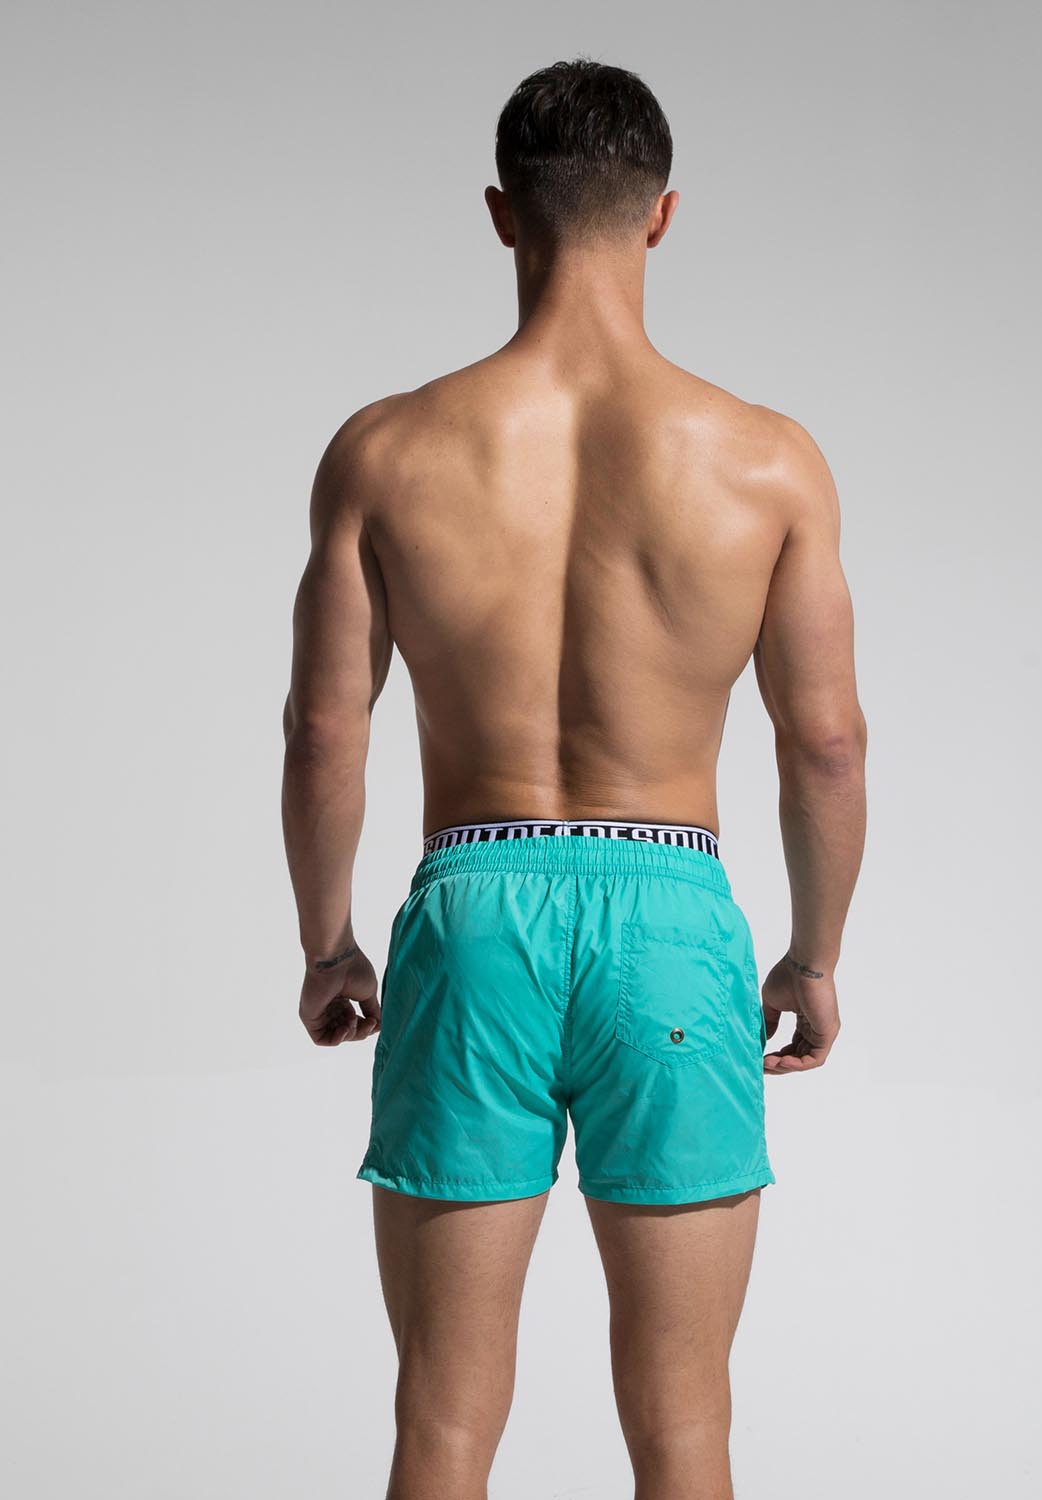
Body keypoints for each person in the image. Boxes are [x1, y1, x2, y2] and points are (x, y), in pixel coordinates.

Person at [281, 55, 867, 1500]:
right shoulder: (766, 461)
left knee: (440, 1421)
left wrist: (328, 943)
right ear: (661, 214)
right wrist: (813, 956)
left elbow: (325, 730)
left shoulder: (387, 450)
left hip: (471, 916)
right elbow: (825, 742)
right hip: (672, 923)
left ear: (501, 214)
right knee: (683, 1423)